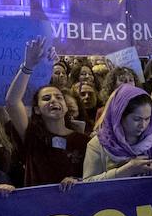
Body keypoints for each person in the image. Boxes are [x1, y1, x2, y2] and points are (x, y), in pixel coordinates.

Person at [5, 39, 90, 186]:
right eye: (46, 98)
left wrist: (78, 181)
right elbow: (12, 102)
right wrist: (28, 65)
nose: (53, 100)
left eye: (59, 97)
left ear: (66, 106)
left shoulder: (83, 141)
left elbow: (93, 178)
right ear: (37, 109)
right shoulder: (32, 136)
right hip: (37, 206)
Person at [83, 83, 152, 181]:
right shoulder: (99, 144)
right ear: (119, 116)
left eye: (147, 119)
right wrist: (126, 170)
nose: (143, 125)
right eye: (136, 119)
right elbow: (88, 183)